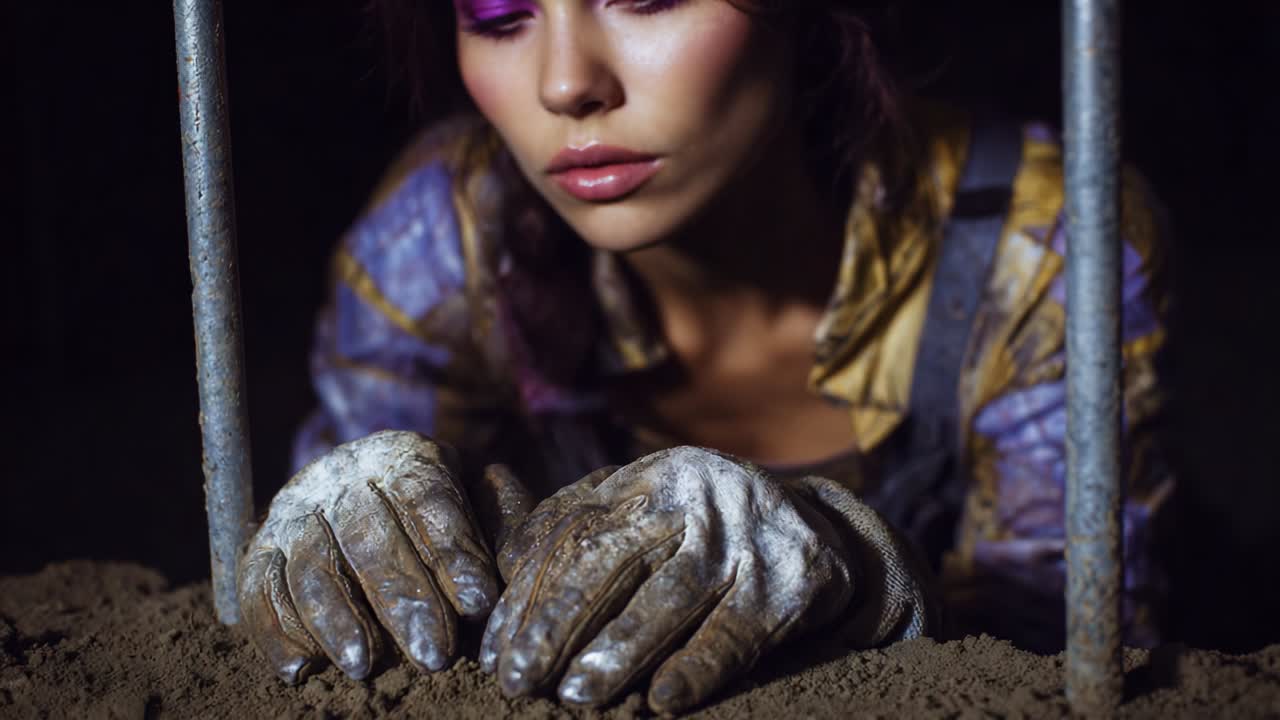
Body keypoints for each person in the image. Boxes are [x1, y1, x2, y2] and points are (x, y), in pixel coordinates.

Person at [236, 0, 1173, 713]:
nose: (565, 83)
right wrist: (345, 502)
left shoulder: (1041, 247)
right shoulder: (442, 237)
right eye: (499, 16)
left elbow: (1073, 657)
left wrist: (859, 563)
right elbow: (358, 632)